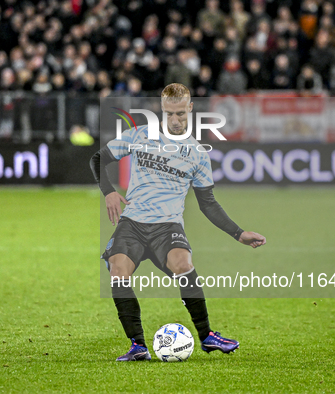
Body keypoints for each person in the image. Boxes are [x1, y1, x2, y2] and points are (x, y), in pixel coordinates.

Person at [89, 83, 266, 361]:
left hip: (167, 227)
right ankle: (138, 345)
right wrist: (110, 191)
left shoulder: (197, 154)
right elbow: (99, 158)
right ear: (161, 109)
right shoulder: (140, 135)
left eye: (180, 114)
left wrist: (238, 233)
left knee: (183, 265)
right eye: (169, 113)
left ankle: (207, 336)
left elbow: (208, 203)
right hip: (132, 223)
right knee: (118, 271)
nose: (174, 120)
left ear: (191, 109)